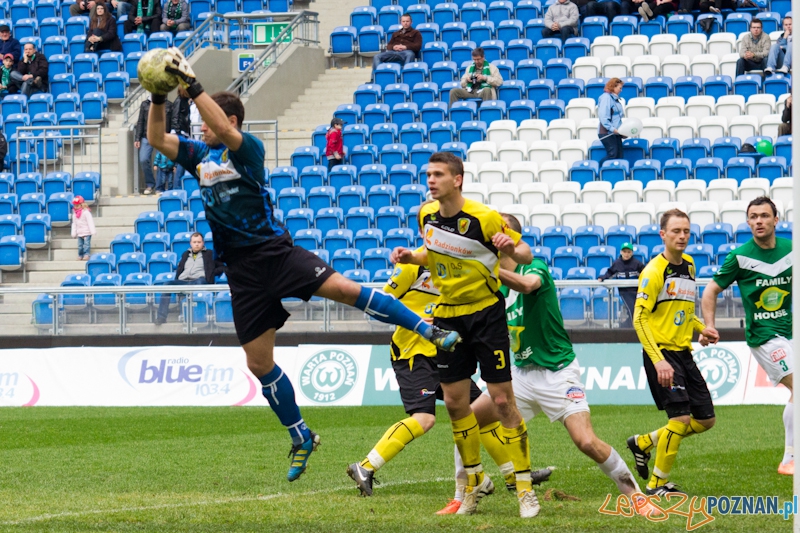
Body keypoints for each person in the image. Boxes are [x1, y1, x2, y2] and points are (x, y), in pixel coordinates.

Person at [144, 47, 462, 482]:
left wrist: (195, 87)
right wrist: (157, 95)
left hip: (275, 253)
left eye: (207, 121)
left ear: (230, 120)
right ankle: (301, 436)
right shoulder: (200, 157)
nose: (201, 127)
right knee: (259, 364)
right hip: (241, 272)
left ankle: (428, 329)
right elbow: (156, 139)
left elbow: (222, 127)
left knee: (346, 290)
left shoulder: (248, 149)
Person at [440, 213, 645, 514]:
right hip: (520, 376)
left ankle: (635, 495)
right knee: (467, 422)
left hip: (557, 371)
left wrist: (489, 269)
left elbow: (527, 285)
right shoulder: (491, 286)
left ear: (508, 238)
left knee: (586, 441)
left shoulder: (534, 266)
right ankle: (466, 492)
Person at [390, 152, 538, 518]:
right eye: (428, 174)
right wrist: (411, 257)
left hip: (486, 315)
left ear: (457, 179)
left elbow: (525, 253)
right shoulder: (426, 214)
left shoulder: (484, 216)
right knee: (456, 405)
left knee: (502, 401)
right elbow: (434, 254)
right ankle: (470, 488)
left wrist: (510, 248)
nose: (431, 180)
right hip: (447, 317)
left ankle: (525, 490)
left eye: (438, 174)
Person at [626, 209, 719, 497]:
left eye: (686, 231)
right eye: (676, 231)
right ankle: (656, 485)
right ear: (663, 235)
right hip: (662, 354)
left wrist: (702, 328)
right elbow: (639, 319)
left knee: (705, 420)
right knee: (679, 420)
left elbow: (685, 311)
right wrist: (658, 360)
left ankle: (643, 442)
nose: (682, 236)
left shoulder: (689, 265)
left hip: (684, 353)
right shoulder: (653, 271)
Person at [701, 197, 794, 476]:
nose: (758, 221)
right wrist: (709, 325)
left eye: (764, 216)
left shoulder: (792, 249)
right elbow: (710, 290)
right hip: (764, 337)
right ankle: (789, 460)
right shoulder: (740, 257)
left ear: (776, 220)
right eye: (753, 217)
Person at [154, 232, 224, 325]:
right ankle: (161, 317)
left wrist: (211, 274)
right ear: (190, 243)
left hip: (199, 280)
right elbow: (180, 268)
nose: (197, 244)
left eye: (199, 242)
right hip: (183, 281)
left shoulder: (209, 254)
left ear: (203, 243)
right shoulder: (185, 254)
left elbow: (222, 267)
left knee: (199, 283)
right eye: (194, 242)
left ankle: (196, 317)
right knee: (167, 285)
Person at [598, 242, 645, 328]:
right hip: (624, 292)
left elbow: (646, 273)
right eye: (624, 252)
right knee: (631, 309)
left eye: (628, 252)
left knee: (637, 310)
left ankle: (624, 326)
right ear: (621, 252)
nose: (626, 254)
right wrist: (602, 277)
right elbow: (609, 273)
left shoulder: (637, 263)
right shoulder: (617, 263)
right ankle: (631, 329)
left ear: (632, 253)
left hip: (636, 291)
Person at [135, 96, 173, 195]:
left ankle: (160, 187)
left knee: (161, 162)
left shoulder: (169, 104)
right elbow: (140, 121)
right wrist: (137, 138)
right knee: (143, 159)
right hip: (147, 136)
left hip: (162, 136)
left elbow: (172, 122)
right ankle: (150, 184)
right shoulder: (145, 104)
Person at [597, 77, 624, 165]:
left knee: (619, 156)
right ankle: (599, 168)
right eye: (620, 88)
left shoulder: (614, 99)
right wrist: (613, 129)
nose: (621, 90)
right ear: (613, 87)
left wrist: (621, 132)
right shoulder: (606, 98)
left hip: (615, 133)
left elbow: (617, 119)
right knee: (613, 155)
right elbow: (604, 117)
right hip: (607, 133)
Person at [171, 86, 192, 182]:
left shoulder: (185, 101)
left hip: (184, 132)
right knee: (182, 159)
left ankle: (178, 183)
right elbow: (175, 117)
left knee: (183, 159)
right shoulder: (179, 101)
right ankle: (177, 184)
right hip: (180, 132)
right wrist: (178, 132)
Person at [71, 195, 96, 261]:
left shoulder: (86, 212)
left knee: (86, 244)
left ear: (82, 205)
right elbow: (74, 224)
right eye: (75, 205)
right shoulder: (74, 214)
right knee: (80, 245)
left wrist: (92, 231)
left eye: (77, 205)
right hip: (79, 233)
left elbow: (90, 222)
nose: (76, 207)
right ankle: (80, 255)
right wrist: (74, 233)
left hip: (87, 232)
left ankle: (86, 254)